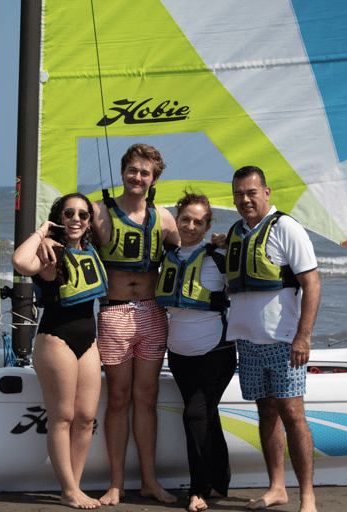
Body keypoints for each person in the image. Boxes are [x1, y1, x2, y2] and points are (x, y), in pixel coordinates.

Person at [219, 166, 321, 512]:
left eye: (251, 192)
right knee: (266, 412)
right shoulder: (236, 232)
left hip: (284, 341)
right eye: (238, 194)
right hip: (247, 341)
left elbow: (312, 284)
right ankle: (277, 487)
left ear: (267, 192)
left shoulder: (287, 228)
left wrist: (303, 337)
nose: (245, 199)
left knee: (293, 414)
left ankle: (307, 496)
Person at [92, 143, 179, 505]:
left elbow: (187, 249)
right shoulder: (99, 212)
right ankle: (115, 484)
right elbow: (69, 235)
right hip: (113, 314)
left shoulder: (165, 218)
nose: (137, 177)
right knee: (118, 399)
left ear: (154, 178)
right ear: (123, 171)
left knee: (147, 398)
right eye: (132, 170)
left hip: (151, 314)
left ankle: (149, 481)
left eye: (145, 172)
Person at [12, 193, 107, 510]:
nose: (76, 219)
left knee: (85, 418)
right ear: (59, 217)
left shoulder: (91, 249)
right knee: (63, 417)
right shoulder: (48, 250)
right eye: (69, 213)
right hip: (56, 339)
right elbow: (20, 263)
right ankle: (68, 490)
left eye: (83, 214)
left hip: (88, 341)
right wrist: (41, 231)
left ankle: (75, 487)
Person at [154, 192, 235, 512]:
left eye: (198, 222)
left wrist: (232, 241)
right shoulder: (168, 255)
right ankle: (221, 481)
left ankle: (198, 490)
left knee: (194, 415)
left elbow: (254, 275)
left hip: (216, 350)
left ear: (208, 225)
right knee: (206, 416)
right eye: (185, 219)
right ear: (177, 218)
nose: (190, 226)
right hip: (179, 353)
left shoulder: (219, 256)